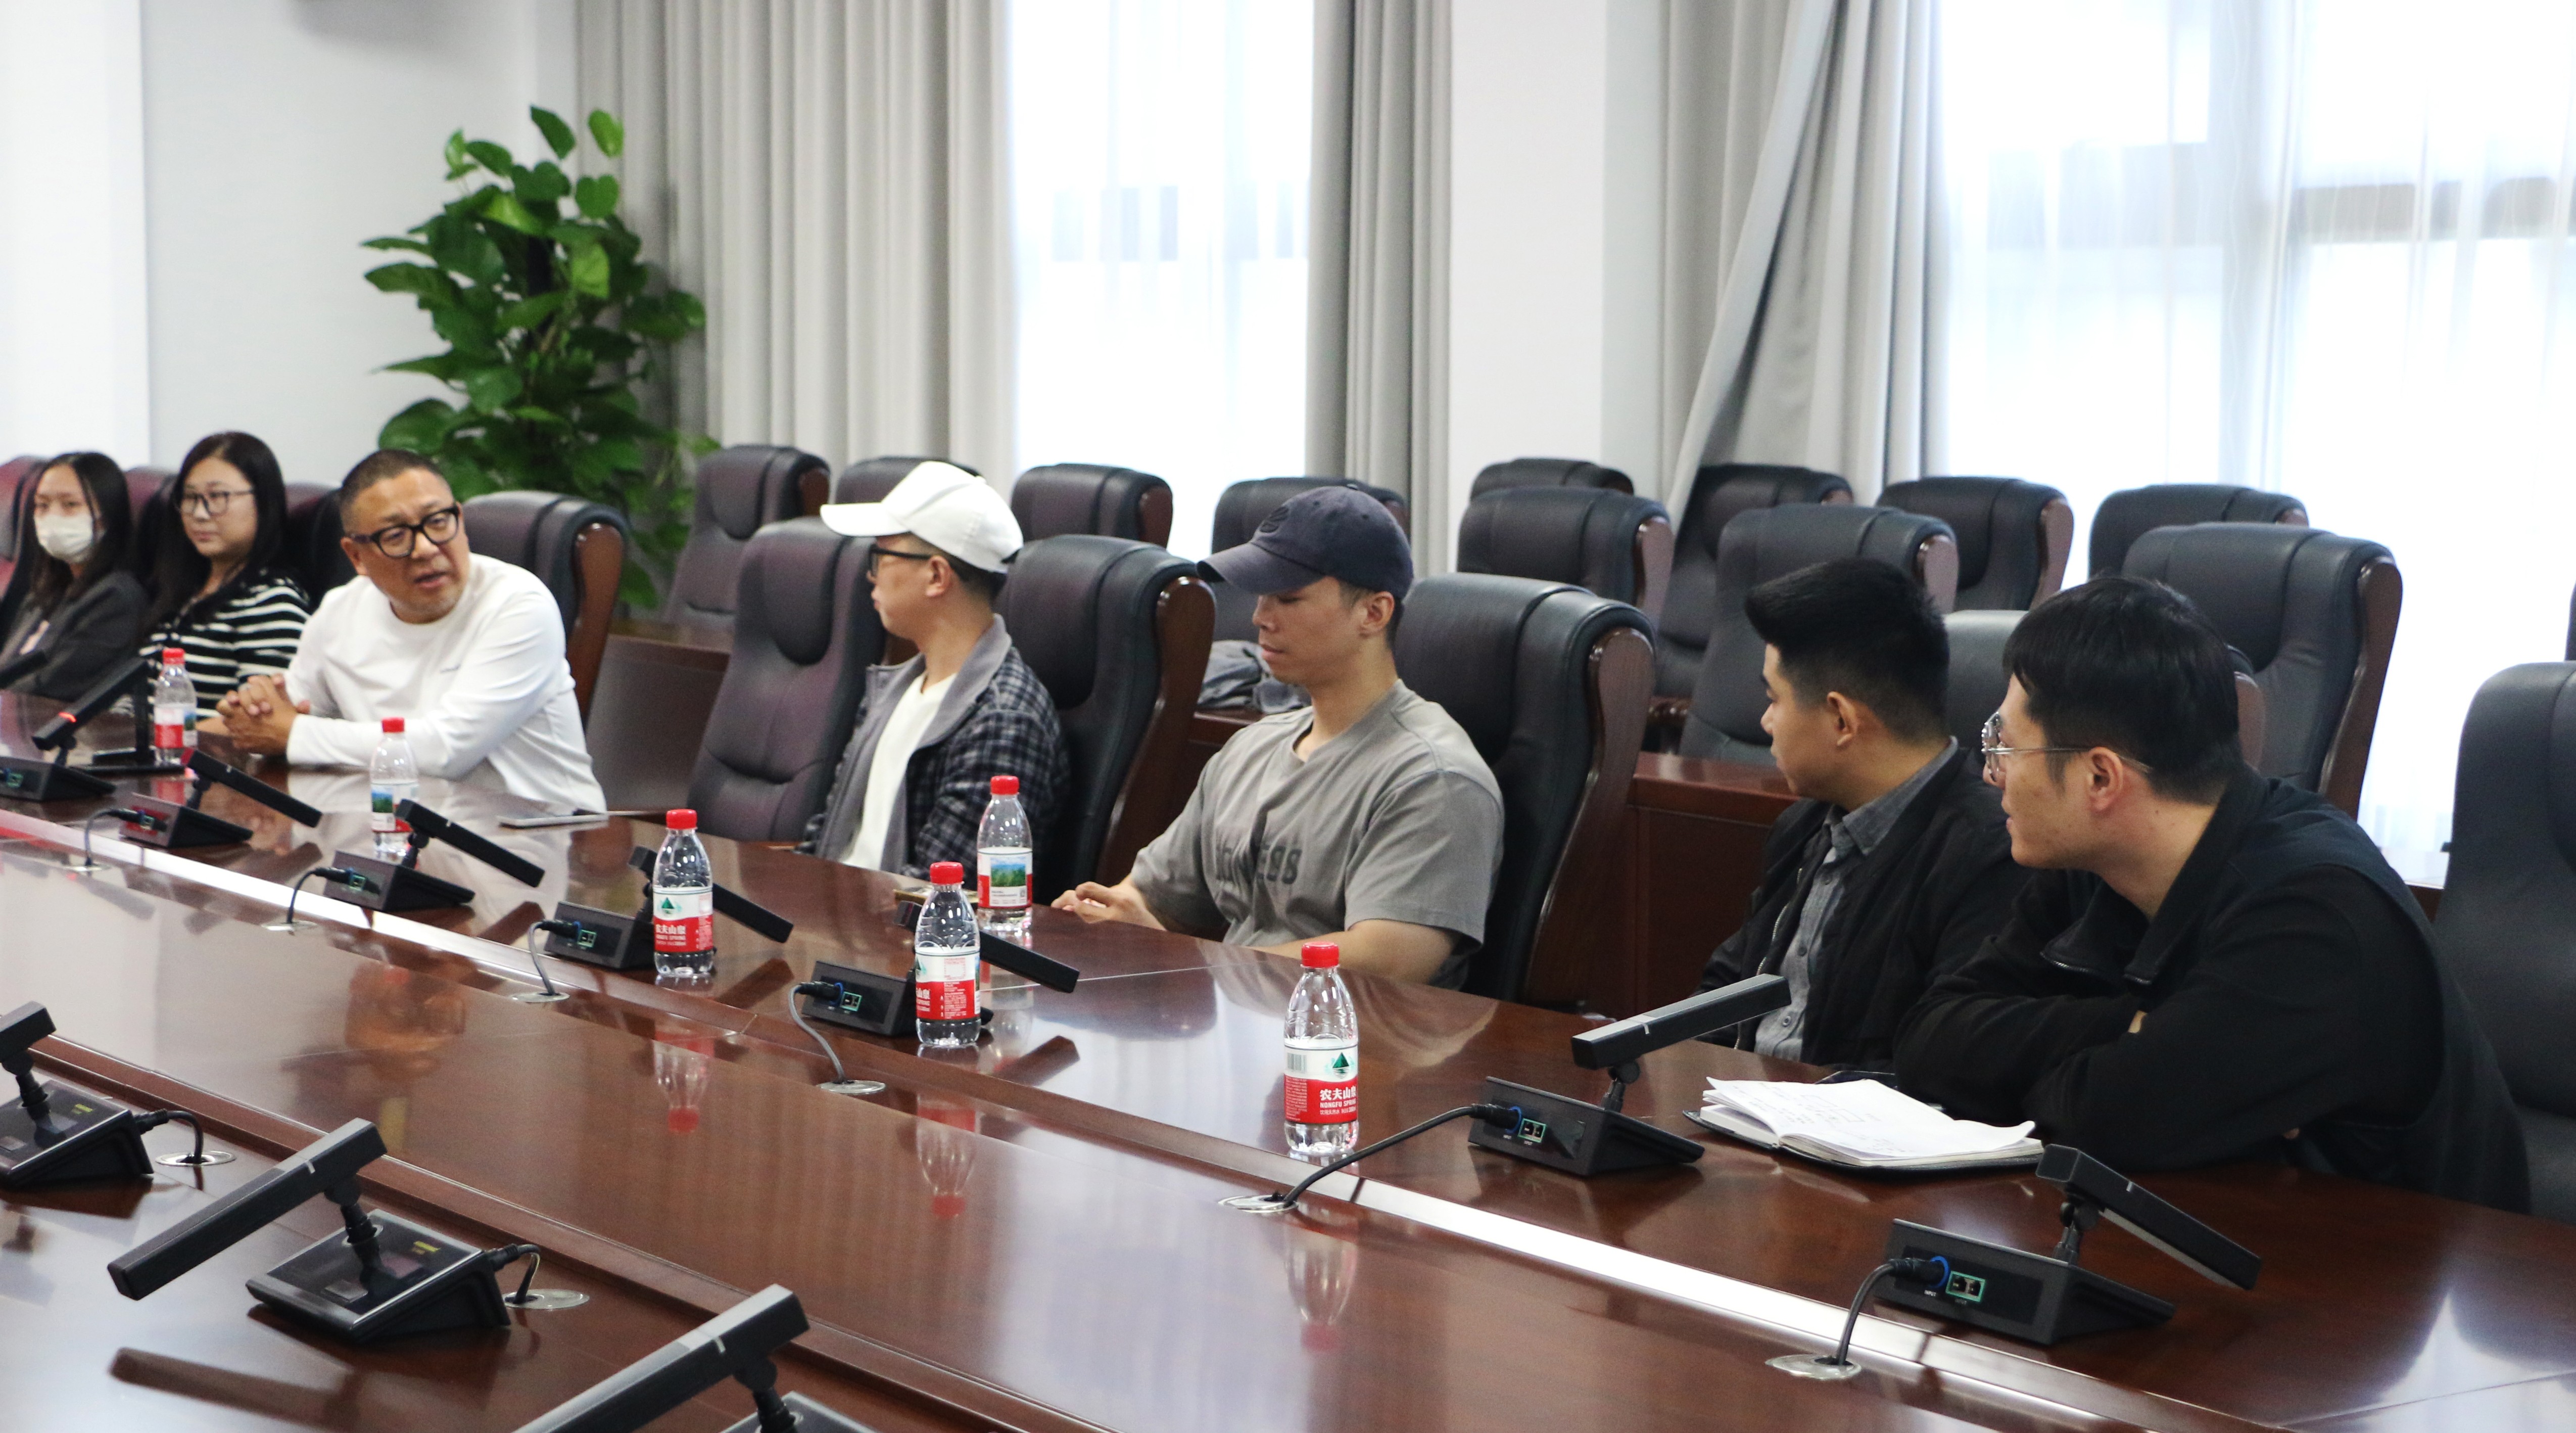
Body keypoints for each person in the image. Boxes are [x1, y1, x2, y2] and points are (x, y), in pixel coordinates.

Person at [1895, 576, 2529, 1211]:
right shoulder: (2096, 860)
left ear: (2100, 777)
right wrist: (2125, 1023)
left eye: (2005, 746)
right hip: (2216, 1222)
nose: (1991, 774)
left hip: (2407, 1255)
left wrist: (2057, 1062)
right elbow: (1930, 1040)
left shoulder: (2315, 916)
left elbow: (2109, 1119)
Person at [1054, 484, 1504, 987]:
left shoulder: (1433, 778)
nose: (1260, 618)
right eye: (1262, 596)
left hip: (1350, 1034)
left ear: (1373, 613)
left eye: (1288, 598)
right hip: (1237, 1019)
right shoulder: (1251, 748)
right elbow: (1151, 896)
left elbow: (1388, 960)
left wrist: (1203, 971)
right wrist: (1115, 917)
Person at [1698, 559, 2026, 1070]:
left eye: (1774, 699)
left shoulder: (1987, 855)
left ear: (1841, 719)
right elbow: (1729, 985)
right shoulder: (1803, 828)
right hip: (1740, 1102)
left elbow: (1946, 1061)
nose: (1765, 721)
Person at [207, 449, 604, 813]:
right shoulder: (340, 612)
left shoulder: (518, 604)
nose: (426, 548)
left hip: (539, 839)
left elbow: (445, 752)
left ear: (460, 521)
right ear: (356, 556)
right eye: (396, 535)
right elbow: (290, 713)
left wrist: (295, 733)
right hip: (392, 830)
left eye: (438, 522)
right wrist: (257, 710)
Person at [798, 462, 1068, 877]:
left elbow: (947, 891)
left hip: (885, 919)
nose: (870, 576)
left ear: (937, 576)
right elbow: (827, 838)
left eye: (880, 557)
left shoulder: (1003, 719)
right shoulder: (891, 689)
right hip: (839, 905)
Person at [139, 431, 312, 705]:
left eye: (218, 496)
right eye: (190, 497)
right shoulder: (182, 592)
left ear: (263, 502)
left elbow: (260, 719)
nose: (200, 513)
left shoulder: (272, 603)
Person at [0, 451, 148, 700]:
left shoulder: (116, 598)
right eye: (42, 505)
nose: (52, 516)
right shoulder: (48, 588)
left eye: (70, 505)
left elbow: (51, 687)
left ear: (107, 515)